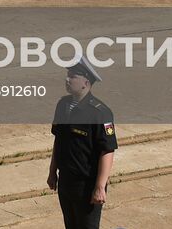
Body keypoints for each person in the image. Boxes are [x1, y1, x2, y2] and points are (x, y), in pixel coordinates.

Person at [47, 57, 116, 229]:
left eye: (72, 76)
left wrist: (100, 186)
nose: (67, 79)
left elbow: (107, 150)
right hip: (65, 181)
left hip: (87, 186)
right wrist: (52, 171)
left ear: (86, 82)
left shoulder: (100, 113)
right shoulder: (63, 105)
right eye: (67, 75)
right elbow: (59, 139)